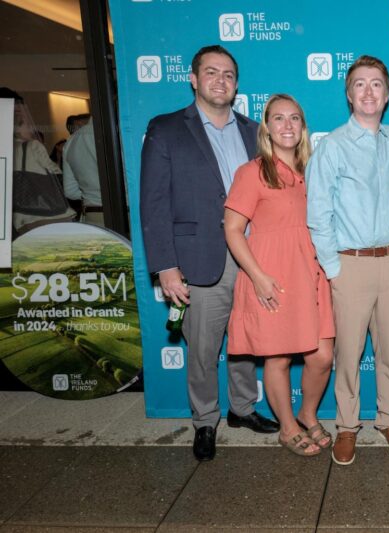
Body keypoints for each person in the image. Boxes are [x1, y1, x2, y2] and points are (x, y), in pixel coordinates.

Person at [140, 45, 279, 462]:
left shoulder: (254, 131)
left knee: (246, 338)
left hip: (251, 256)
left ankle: (242, 408)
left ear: (237, 84)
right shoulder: (166, 129)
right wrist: (166, 266)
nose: (221, 80)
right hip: (197, 259)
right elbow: (154, 203)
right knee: (202, 348)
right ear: (193, 78)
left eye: (228, 74)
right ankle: (204, 420)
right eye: (212, 72)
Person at [306, 55, 389, 465]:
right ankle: (347, 425)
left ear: (387, 95)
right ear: (349, 95)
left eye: (376, 84)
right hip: (349, 264)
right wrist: (334, 270)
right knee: (348, 353)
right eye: (360, 84)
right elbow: (318, 214)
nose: (369, 91)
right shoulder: (332, 146)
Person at [224, 94, 334, 457]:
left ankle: (307, 413)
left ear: (303, 126)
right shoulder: (252, 172)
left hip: (312, 273)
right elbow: (233, 230)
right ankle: (287, 428)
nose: (287, 125)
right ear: (266, 128)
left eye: (294, 118)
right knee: (279, 358)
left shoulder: (313, 171)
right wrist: (258, 277)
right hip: (273, 275)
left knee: (322, 356)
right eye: (279, 118)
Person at [1, 87, 76, 235]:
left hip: (18, 220)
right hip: (46, 217)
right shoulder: (31, 146)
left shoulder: (5, 147)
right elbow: (57, 176)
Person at [63, 117, 104, 226]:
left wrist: (90, 194)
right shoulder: (122, 133)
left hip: (93, 215)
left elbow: (70, 191)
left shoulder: (71, 141)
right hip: (128, 213)